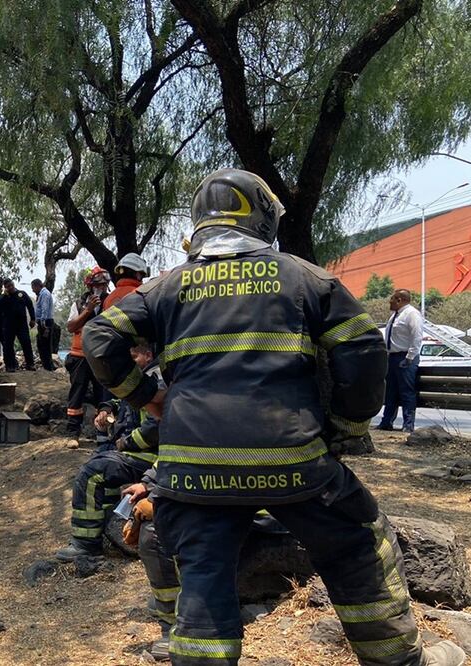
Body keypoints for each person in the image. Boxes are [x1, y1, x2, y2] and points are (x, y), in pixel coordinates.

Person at [83, 168, 464, 666]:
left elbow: (99, 338)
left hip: (193, 472)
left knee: (202, 574)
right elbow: (365, 349)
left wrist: (148, 397)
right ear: (263, 218)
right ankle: (396, 660)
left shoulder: (165, 287)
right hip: (295, 463)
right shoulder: (305, 278)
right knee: (359, 547)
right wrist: (345, 429)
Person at [55, 343, 161, 563]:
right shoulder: (139, 378)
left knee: (93, 473)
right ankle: (108, 527)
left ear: (148, 354)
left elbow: (154, 429)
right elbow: (120, 401)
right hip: (138, 452)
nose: (129, 363)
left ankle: (85, 544)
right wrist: (106, 408)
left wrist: (126, 443)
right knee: (104, 469)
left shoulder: (155, 380)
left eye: (134, 357)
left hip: (152, 456)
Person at [64, 267, 112, 435]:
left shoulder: (111, 302)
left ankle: (103, 434)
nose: (103, 288)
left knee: (104, 396)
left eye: (105, 285)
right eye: (99, 285)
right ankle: (73, 433)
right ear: (91, 285)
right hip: (81, 357)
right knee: (77, 394)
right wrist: (88, 310)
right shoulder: (79, 304)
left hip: (102, 356)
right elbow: (71, 326)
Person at [378, 289, 423, 433]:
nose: (389, 302)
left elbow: (417, 337)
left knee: (406, 391)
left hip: (405, 357)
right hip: (392, 357)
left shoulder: (411, 314)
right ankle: (386, 422)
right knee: (390, 391)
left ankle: (408, 424)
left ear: (399, 300)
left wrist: (409, 358)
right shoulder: (395, 316)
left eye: (392, 299)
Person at [0, 278, 36, 371]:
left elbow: (30, 306)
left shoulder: (22, 294)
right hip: (8, 325)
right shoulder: (4, 297)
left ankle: (30, 364)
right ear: (5, 288)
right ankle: (10, 366)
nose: (10, 287)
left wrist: (32, 319)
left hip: (22, 325)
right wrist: (4, 295)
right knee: (8, 346)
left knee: (26, 343)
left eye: (11, 285)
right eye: (8, 286)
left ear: (13, 284)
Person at [31, 279, 58, 370]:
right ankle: (46, 365)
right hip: (43, 322)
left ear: (37, 286)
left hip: (45, 322)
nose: (33, 290)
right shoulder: (41, 294)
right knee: (41, 344)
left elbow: (45, 308)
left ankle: (48, 367)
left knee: (45, 345)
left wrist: (43, 322)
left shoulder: (45, 294)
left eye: (33, 288)